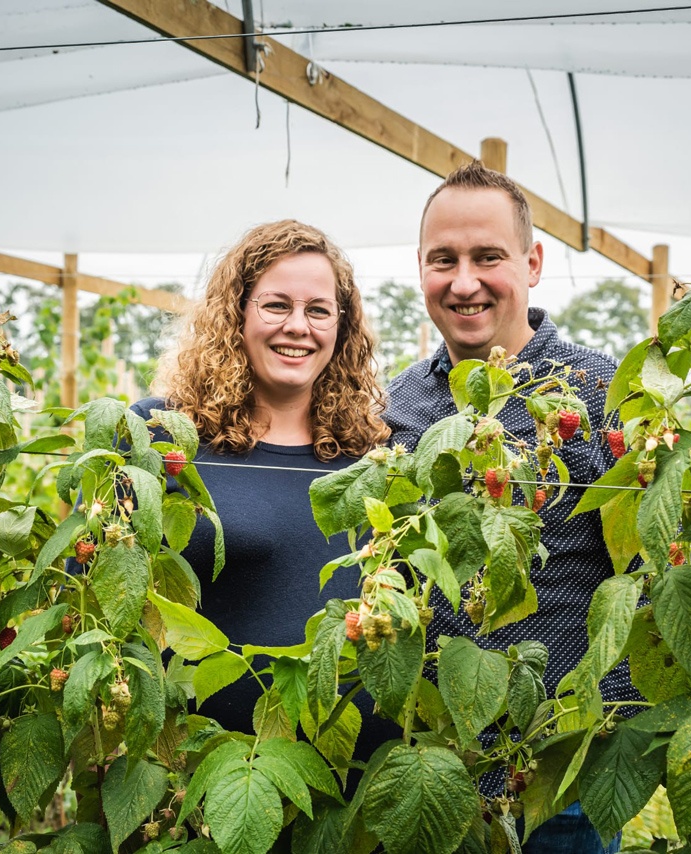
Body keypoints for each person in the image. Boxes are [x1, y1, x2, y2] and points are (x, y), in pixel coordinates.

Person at [384, 161, 639, 853]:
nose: (463, 282)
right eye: (444, 260)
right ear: (421, 269)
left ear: (531, 262)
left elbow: (648, 570)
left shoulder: (600, 392)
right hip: (435, 759)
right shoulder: (397, 406)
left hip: (561, 774)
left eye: (487, 257)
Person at [134, 220, 397, 756]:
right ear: (236, 314)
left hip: (350, 788)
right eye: (276, 305)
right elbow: (96, 592)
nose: (298, 326)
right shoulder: (162, 434)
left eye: (318, 310)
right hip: (203, 780)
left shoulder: (372, 453)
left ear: (342, 328)